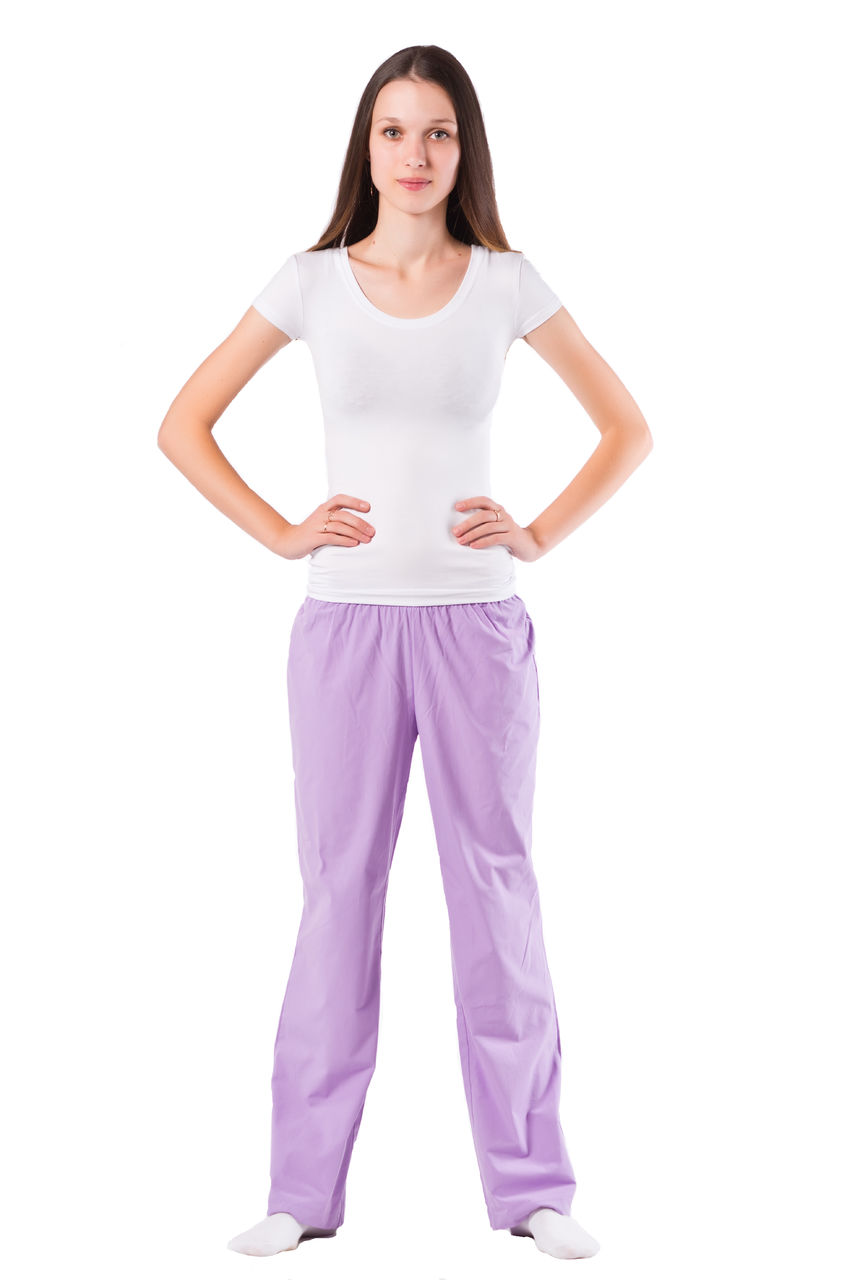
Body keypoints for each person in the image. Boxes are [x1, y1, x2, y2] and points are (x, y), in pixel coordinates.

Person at [158, 44, 651, 1263]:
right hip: (345, 624)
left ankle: (532, 1185)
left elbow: (626, 428)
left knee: (497, 891)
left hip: (477, 624)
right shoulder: (312, 282)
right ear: (365, 146)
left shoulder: (507, 282)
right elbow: (183, 422)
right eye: (394, 130)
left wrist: (538, 530)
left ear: (463, 148)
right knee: (338, 897)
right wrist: (281, 529)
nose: (415, 154)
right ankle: (301, 1189)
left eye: (437, 132)